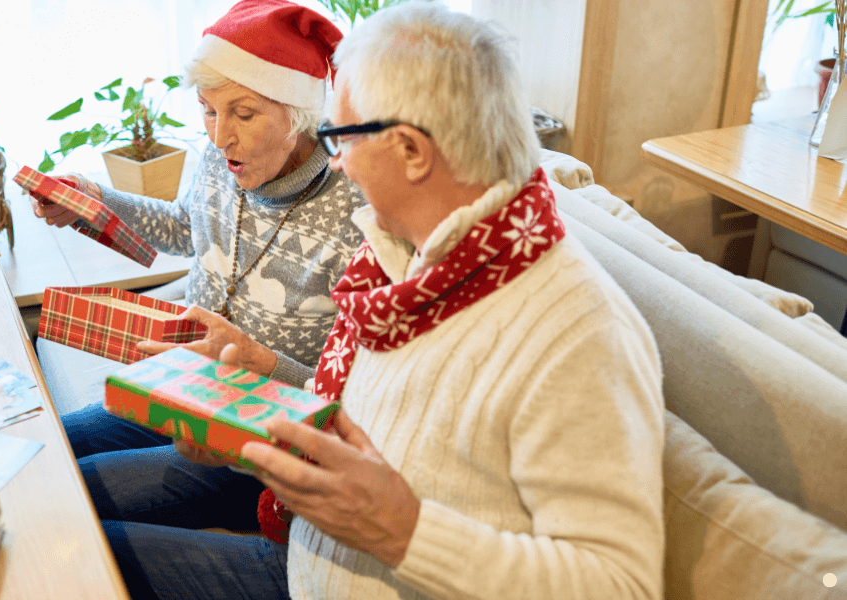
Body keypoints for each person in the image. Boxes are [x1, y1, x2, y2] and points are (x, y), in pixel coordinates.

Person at [102, 4, 667, 600]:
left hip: (333, 574)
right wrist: (243, 436)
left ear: (412, 152)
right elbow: (356, 444)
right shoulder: (403, 265)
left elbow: (621, 586)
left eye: (339, 137)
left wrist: (404, 532)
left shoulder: (575, 332)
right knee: (73, 526)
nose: (335, 162)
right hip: (305, 555)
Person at [29, 0, 366, 459]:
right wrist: (94, 198)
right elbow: (185, 228)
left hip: (266, 431)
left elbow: (350, 394)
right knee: (44, 448)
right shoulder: (223, 157)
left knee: (76, 487)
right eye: (208, 110)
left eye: (243, 114)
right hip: (189, 383)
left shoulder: (357, 210)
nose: (218, 136)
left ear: (299, 112)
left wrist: (259, 362)